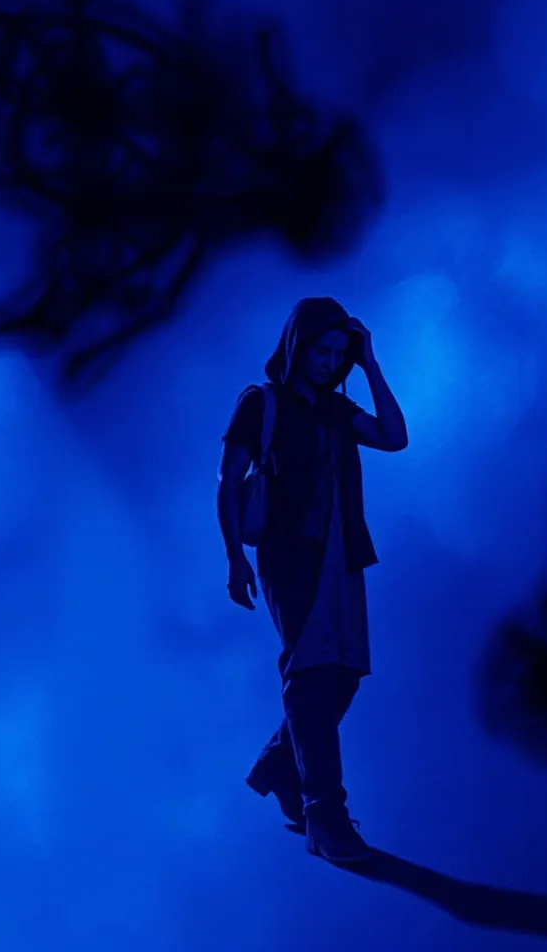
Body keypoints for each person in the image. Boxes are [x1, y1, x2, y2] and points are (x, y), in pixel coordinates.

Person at [216, 297, 408, 863]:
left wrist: (369, 362)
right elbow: (228, 481)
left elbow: (394, 436)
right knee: (309, 674)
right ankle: (324, 814)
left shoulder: (335, 408)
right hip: (291, 558)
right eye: (320, 351)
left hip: (342, 554)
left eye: (337, 354)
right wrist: (234, 558)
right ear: (297, 345)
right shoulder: (262, 402)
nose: (328, 362)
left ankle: (280, 767)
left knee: (343, 674)